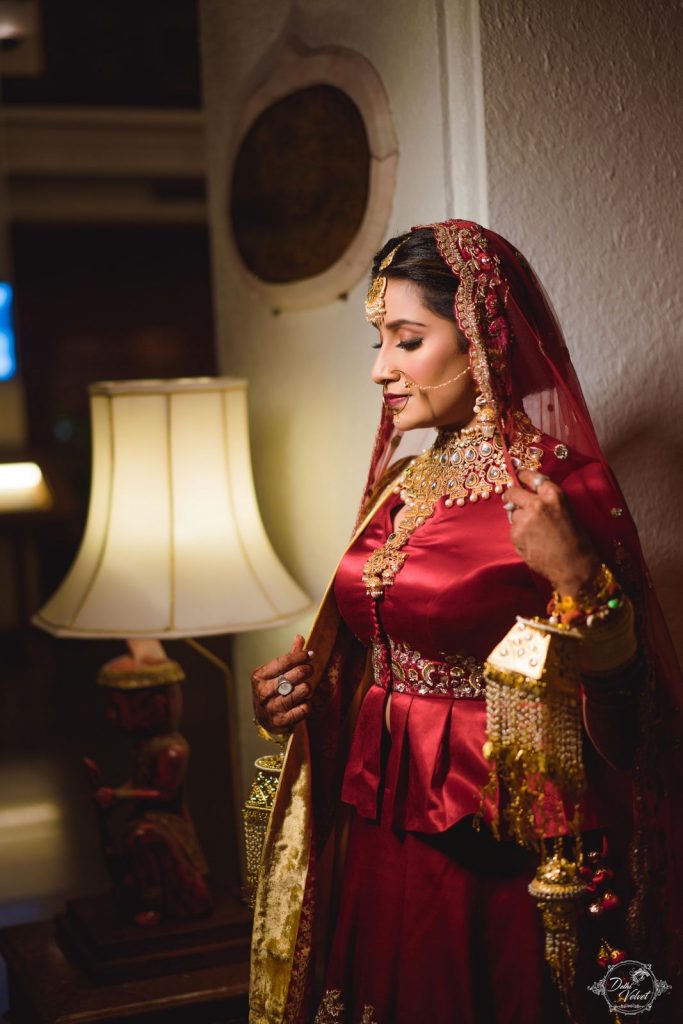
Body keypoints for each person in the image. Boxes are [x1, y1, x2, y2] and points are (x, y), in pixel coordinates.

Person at [248, 221, 682, 1024]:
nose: (380, 369)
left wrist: (579, 580)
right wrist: (302, 696)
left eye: (406, 340)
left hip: (500, 835)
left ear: (480, 336)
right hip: (377, 816)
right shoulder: (405, 481)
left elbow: (640, 720)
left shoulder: (561, 488)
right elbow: (369, 651)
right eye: (377, 341)